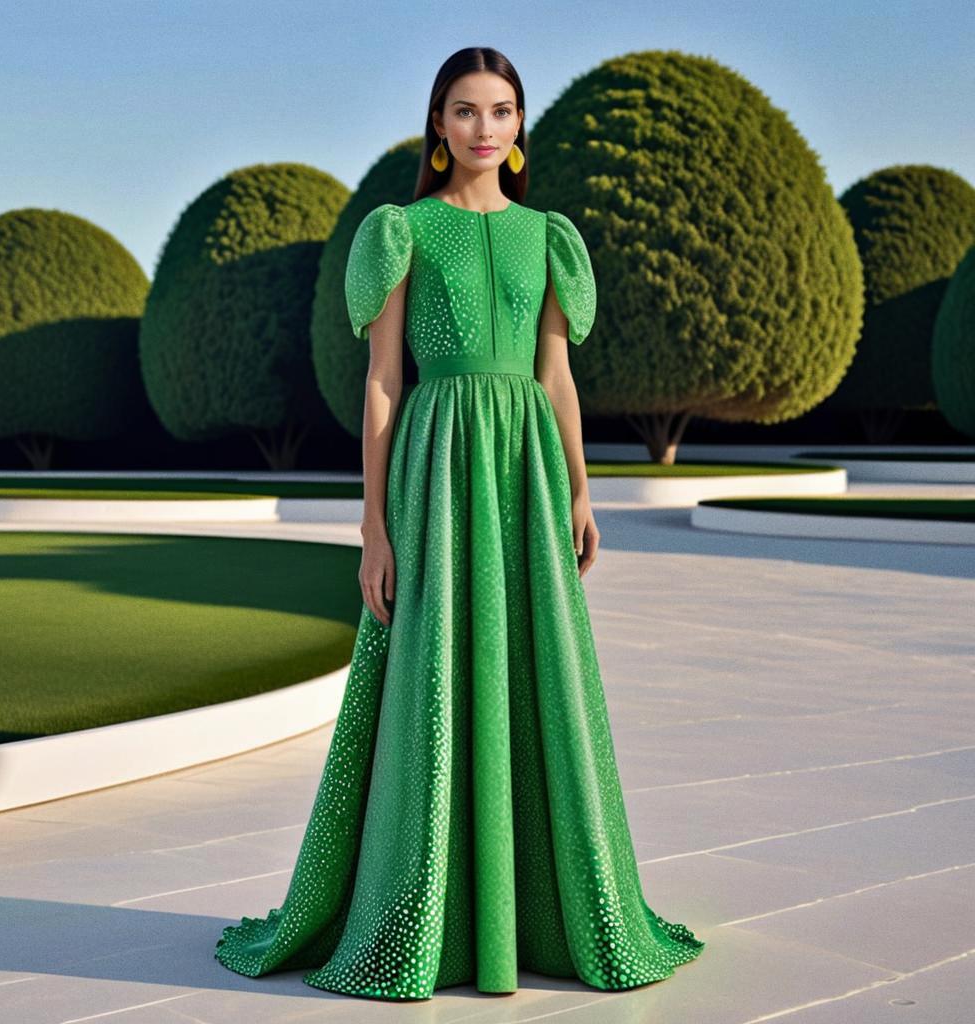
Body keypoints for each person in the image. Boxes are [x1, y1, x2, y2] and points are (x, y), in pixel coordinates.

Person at [214, 46, 706, 1002]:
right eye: (466, 110)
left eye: (503, 111)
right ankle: (420, 909)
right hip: (434, 470)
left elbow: (557, 374)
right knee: (434, 671)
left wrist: (579, 488)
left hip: (523, 467)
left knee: (536, 672)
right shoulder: (402, 232)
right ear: (437, 126)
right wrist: (374, 525)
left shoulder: (550, 236)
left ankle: (539, 908)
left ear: (519, 128)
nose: (485, 128)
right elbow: (385, 381)